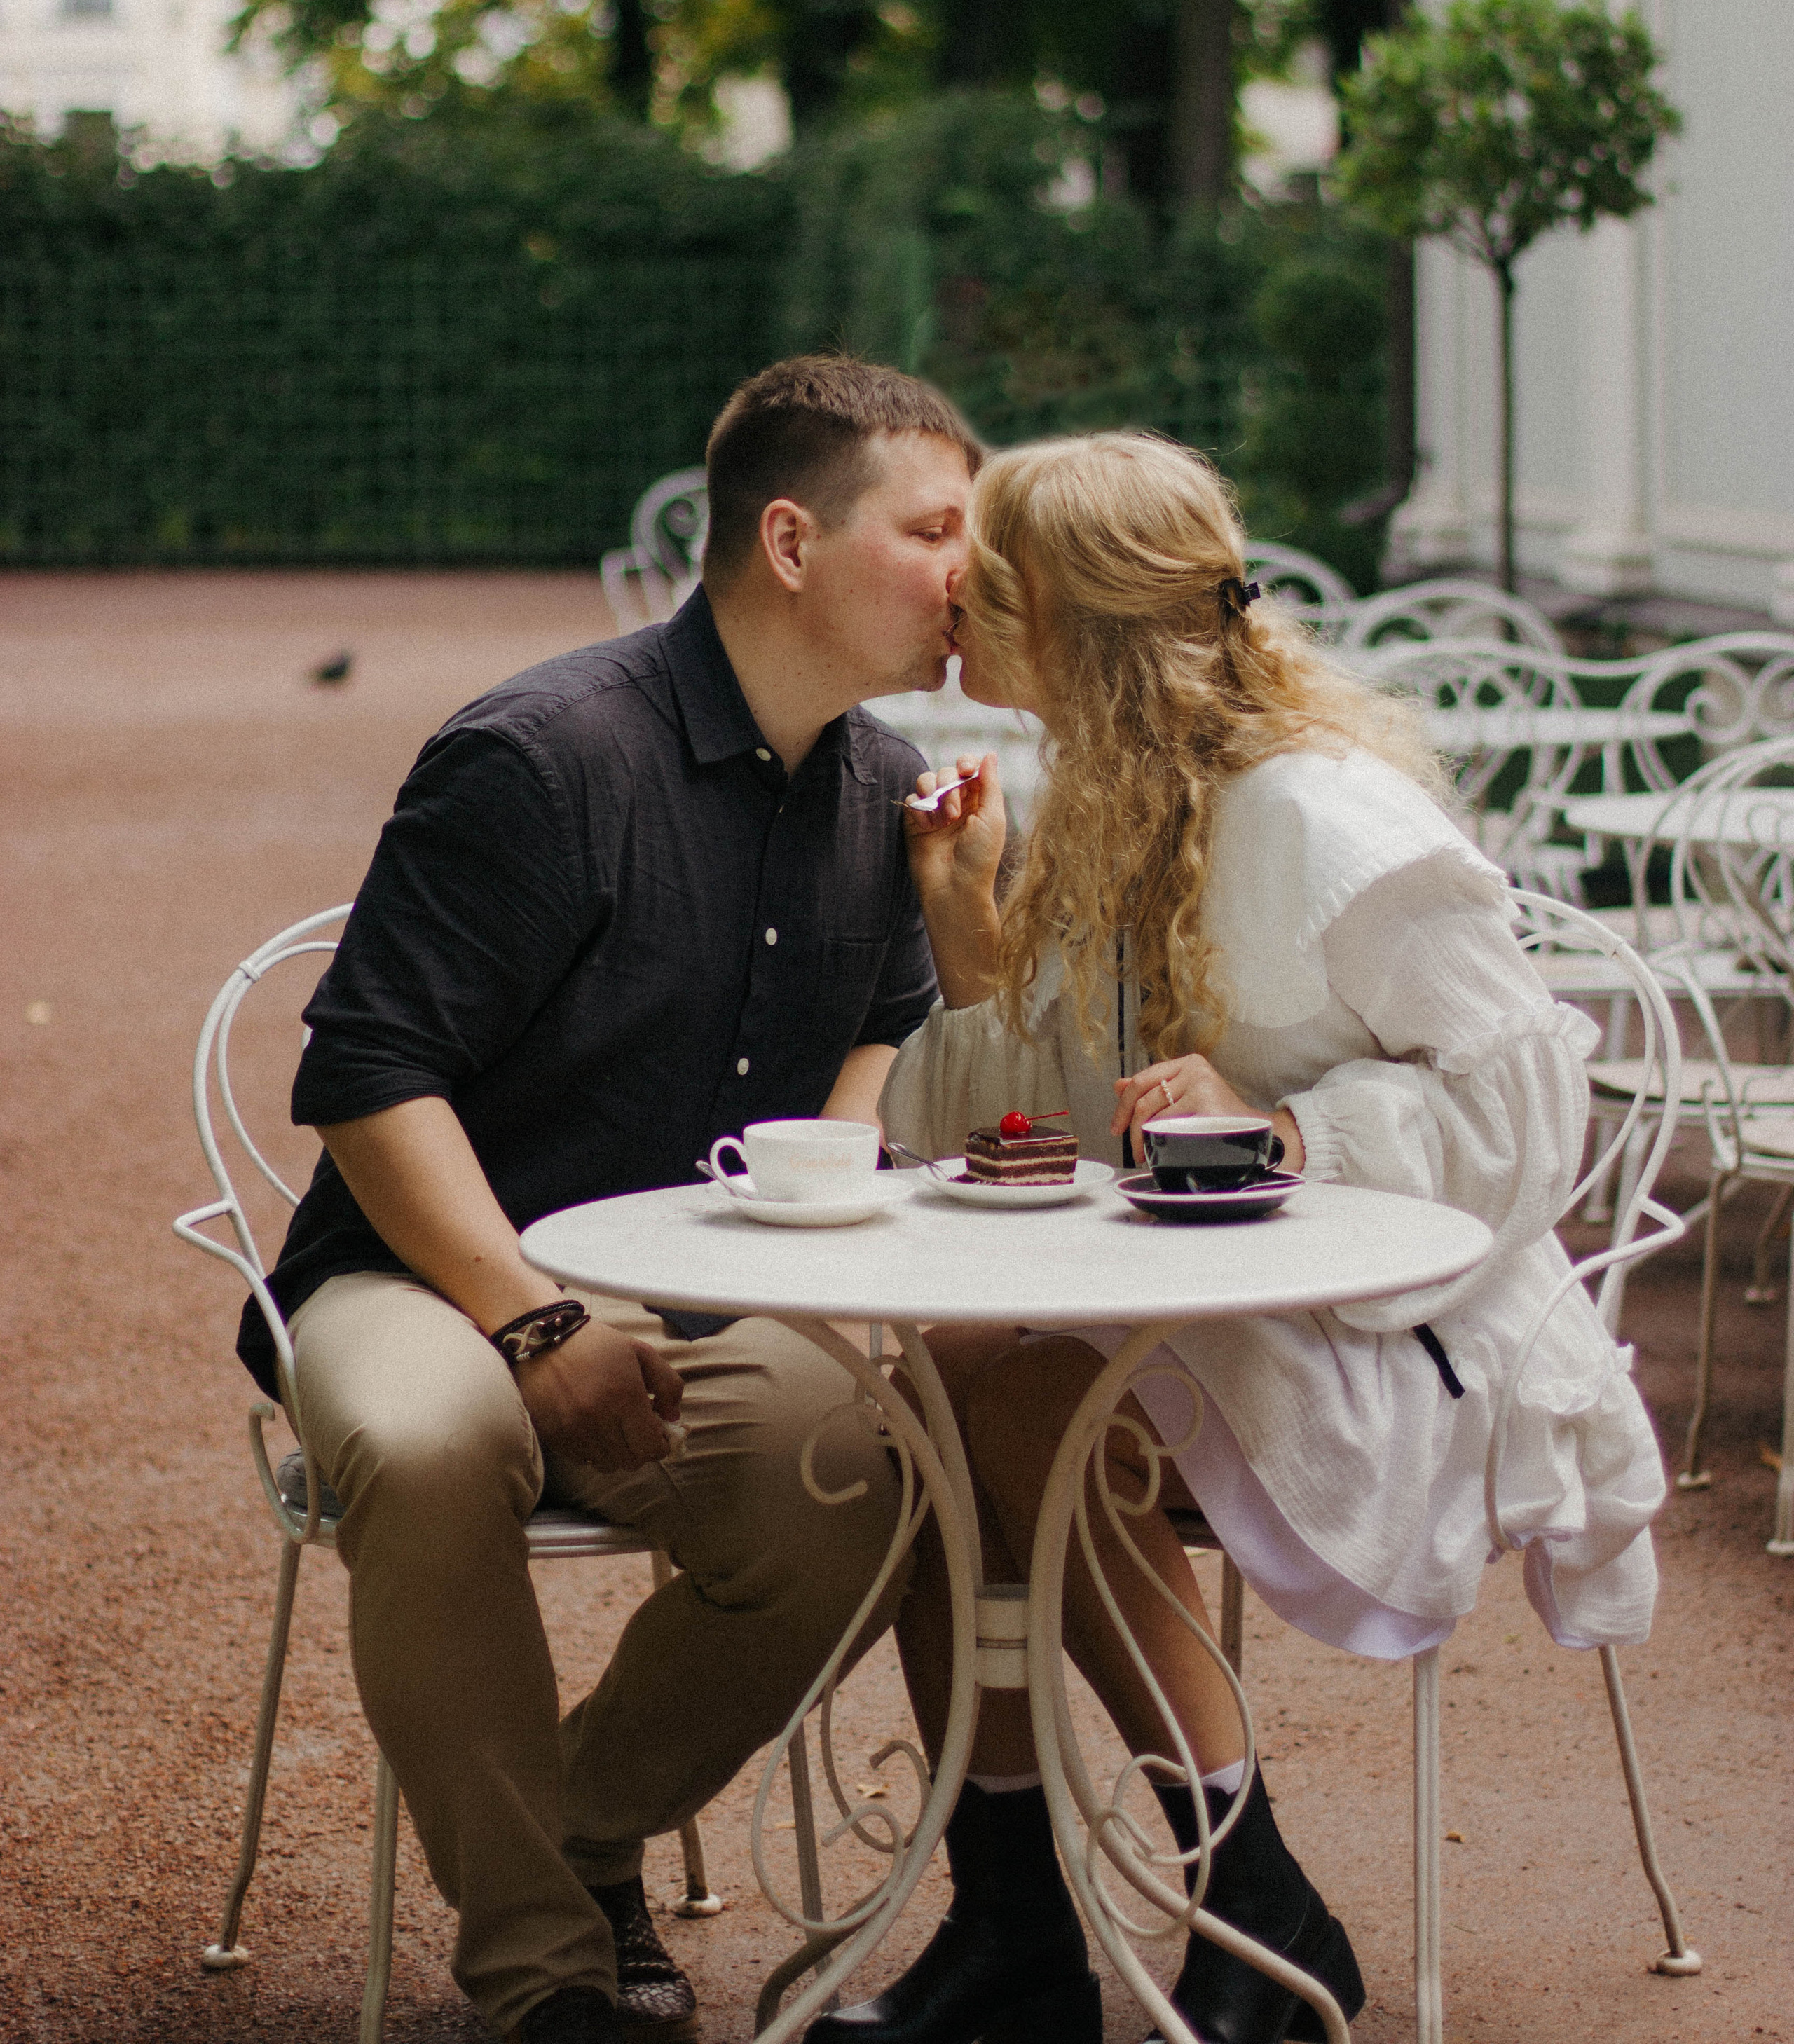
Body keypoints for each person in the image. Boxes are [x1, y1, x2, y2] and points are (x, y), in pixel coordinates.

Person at [809, 430, 1664, 2044]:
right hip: (1221, 1303)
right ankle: (1012, 1930)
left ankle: (1243, 1896)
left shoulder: (1325, 815)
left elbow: (1528, 1113)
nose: (948, 602)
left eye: (980, 580)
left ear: (1070, 619)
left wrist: (1293, 1131)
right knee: (944, 1400)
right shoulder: (1109, 798)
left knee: (1006, 1404)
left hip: (1411, 1329)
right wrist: (965, 929)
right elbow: (1055, 1117)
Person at [237, 356, 982, 2044]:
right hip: (427, 1281)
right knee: (432, 1453)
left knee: (871, 1475)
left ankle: (583, 1826)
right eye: (933, 530)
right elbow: (366, 1076)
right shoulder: (540, 756)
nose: (969, 571)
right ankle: (543, 1979)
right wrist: (534, 1318)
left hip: (697, 1293)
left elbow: (889, 1030)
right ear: (789, 540)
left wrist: (845, 1147)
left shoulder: (887, 789)